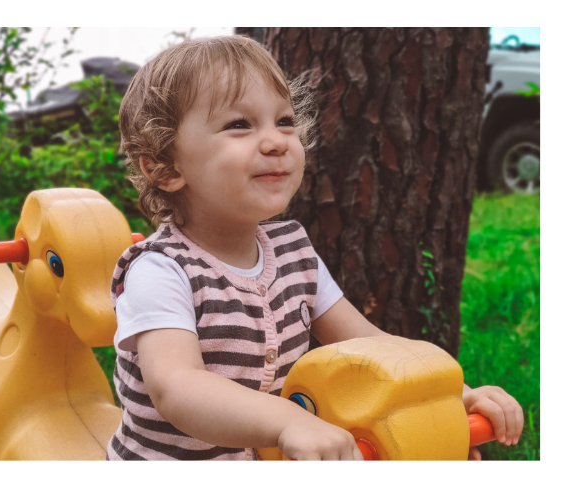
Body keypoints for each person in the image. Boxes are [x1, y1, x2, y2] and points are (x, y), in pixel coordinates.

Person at [105, 35, 523, 461]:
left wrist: (452, 394)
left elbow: (372, 344)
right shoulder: (159, 271)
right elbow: (177, 387)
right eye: (240, 124)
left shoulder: (293, 251)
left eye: (284, 121)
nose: (276, 141)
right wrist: (289, 421)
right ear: (165, 167)